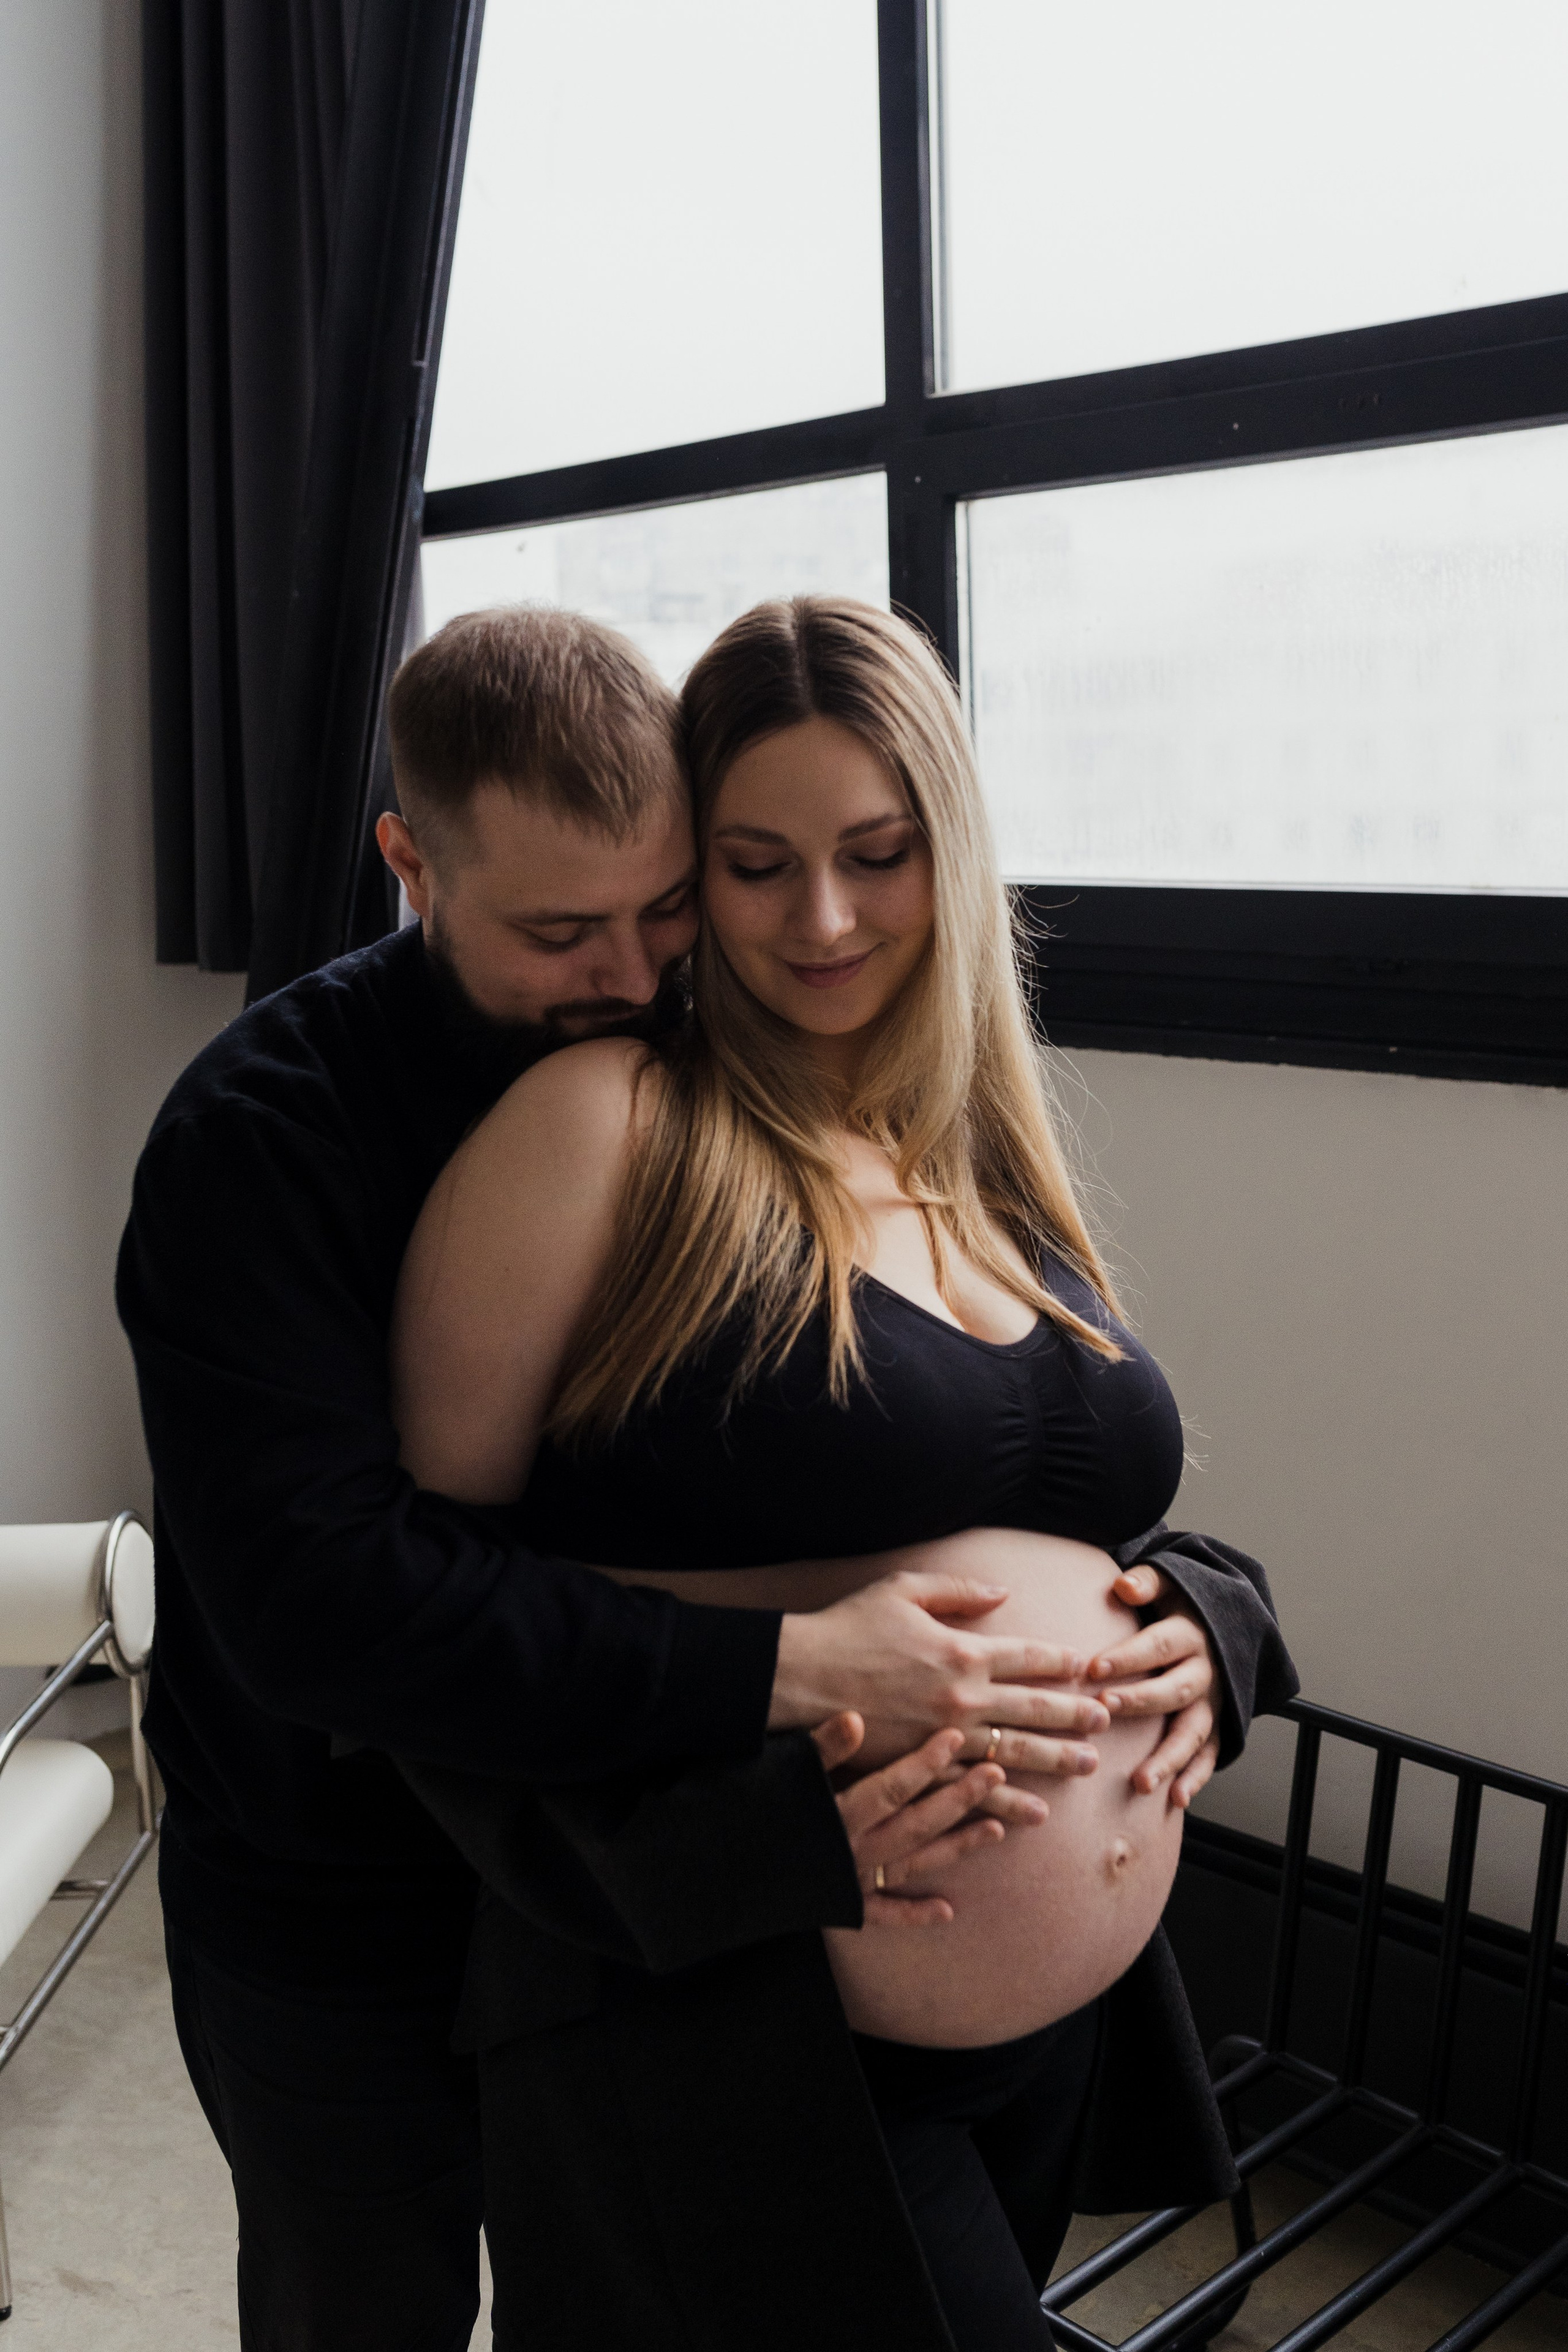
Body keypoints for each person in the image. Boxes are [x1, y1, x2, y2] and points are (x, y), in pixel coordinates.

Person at [114, 605, 1237, 2352]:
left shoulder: (811, 1087)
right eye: (565, 931)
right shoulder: (271, 1135)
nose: (639, 974)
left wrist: (1206, 1616)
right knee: (365, 2307)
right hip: (344, 1875)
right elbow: (330, 1603)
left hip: (798, 1928)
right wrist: (798, 1670)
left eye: (662, 910)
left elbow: (944, 1478)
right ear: (409, 865)